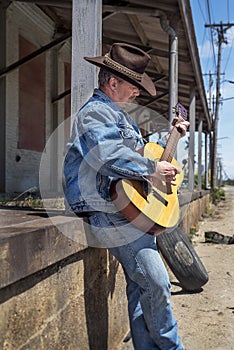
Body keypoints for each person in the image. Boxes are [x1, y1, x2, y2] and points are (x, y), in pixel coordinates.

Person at [63, 42, 189, 350]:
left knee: (141, 285)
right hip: (105, 207)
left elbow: (139, 151)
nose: (138, 93)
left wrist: (170, 137)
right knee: (157, 281)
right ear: (113, 81)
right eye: (134, 85)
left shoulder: (121, 117)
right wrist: (151, 168)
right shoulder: (94, 113)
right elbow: (107, 154)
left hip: (130, 207)